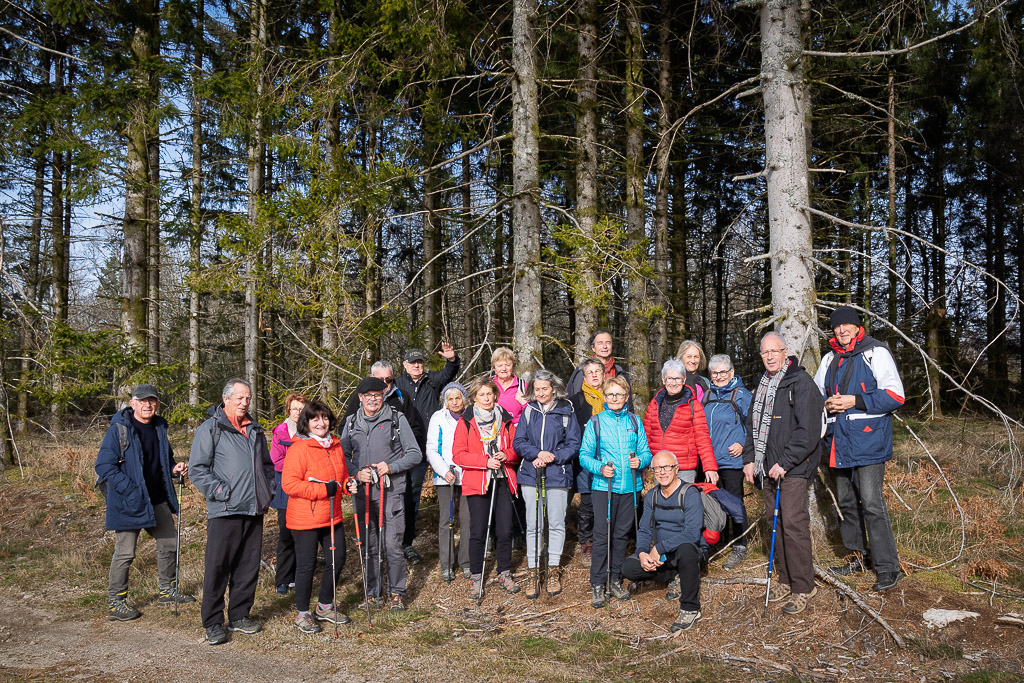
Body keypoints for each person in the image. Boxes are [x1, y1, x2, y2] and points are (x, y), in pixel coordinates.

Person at [814, 306, 905, 591]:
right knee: (846, 503)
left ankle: (888, 567)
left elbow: (895, 395)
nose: (841, 330)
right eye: (836, 327)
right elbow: (816, 396)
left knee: (872, 503)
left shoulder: (875, 352)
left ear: (856, 327)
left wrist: (855, 400)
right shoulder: (829, 359)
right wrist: (826, 404)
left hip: (868, 442)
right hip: (838, 442)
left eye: (846, 326)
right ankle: (857, 558)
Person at [742, 332, 824, 616]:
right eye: (765, 353)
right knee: (774, 521)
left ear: (785, 352)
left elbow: (808, 431)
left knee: (793, 523)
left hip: (794, 468)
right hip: (767, 467)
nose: (770, 357)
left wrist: (785, 462)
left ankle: (804, 586)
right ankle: (786, 579)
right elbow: (752, 426)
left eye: (774, 351)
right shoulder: (762, 385)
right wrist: (749, 459)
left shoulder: (800, 383)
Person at [189, 378, 275, 645]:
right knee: (218, 567)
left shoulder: (255, 429)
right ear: (225, 399)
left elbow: (267, 465)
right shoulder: (210, 429)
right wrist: (220, 491)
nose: (244, 402)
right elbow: (197, 469)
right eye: (239, 398)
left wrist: (268, 488)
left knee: (248, 566)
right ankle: (213, 622)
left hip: (253, 508)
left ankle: (239, 616)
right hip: (225, 509)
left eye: (248, 398)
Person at [95, 384, 192, 621]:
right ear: (133, 404)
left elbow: (165, 459)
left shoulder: (160, 427)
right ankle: (116, 602)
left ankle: (167, 591)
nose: (148, 405)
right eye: (142, 401)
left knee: (169, 543)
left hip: (157, 498)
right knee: (125, 553)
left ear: (157, 404)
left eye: (152, 401)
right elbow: (104, 466)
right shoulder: (119, 429)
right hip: (128, 501)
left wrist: (174, 468)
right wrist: (129, 488)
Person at [341, 376, 422, 611]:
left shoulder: (397, 419)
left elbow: (415, 454)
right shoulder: (351, 423)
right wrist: (356, 473)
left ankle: (396, 593)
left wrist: (392, 467)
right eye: (368, 396)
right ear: (360, 398)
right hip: (364, 493)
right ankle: (372, 593)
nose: (373, 399)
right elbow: (343, 457)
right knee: (369, 546)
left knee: (392, 544)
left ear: (384, 395)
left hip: (391, 491)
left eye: (377, 395)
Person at [579, 375, 653, 608]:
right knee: (602, 536)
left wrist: (640, 461)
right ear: (604, 397)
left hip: (630, 487)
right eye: (610, 394)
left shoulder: (635, 421)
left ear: (626, 397)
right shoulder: (596, 422)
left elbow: (646, 452)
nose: (614, 398)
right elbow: (584, 455)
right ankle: (597, 583)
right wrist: (600, 468)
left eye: (619, 394)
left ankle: (615, 579)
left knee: (621, 536)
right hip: (604, 487)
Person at [281, 400, 350, 634]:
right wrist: (322, 490)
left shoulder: (335, 446)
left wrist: (349, 485)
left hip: (332, 515)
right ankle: (303, 614)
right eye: (315, 419)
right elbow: (289, 484)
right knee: (306, 565)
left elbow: (342, 476)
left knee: (338, 559)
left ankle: (324, 606)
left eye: (325, 418)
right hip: (305, 517)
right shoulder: (299, 448)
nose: (321, 423)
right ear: (307, 422)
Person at [512, 369, 582, 598]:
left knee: (556, 523)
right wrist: (537, 454)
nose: (541, 393)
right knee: (533, 524)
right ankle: (534, 572)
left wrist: (553, 456)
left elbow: (574, 444)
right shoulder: (529, 411)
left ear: (553, 389)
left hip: (557, 474)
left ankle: (552, 570)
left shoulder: (566, 410)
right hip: (530, 474)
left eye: (545, 389)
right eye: (537, 389)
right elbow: (519, 441)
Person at [453, 376, 521, 601]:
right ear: (474, 398)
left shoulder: (506, 418)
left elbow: (516, 449)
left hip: (503, 479)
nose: (486, 398)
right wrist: (484, 462)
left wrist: (506, 455)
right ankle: (476, 576)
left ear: (495, 395)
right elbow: (458, 455)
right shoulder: (466, 421)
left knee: (505, 529)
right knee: (478, 530)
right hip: (478, 481)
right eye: (481, 395)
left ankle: (504, 572)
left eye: (489, 394)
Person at [622, 451, 706, 632]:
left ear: (676, 469)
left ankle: (691, 608)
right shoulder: (652, 495)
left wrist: (659, 547)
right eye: (657, 468)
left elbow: (692, 533)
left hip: (688, 553)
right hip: (664, 556)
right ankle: (674, 576)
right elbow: (645, 529)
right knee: (629, 567)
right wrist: (642, 553)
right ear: (652, 472)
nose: (662, 472)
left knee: (686, 550)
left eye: (667, 467)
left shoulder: (689, 493)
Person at [394, 345, 460, 564]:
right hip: (406, 448)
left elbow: (448, 374)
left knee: (420, 493)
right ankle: (401, 543)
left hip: (431, 446)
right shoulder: (397, 384)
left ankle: (409, 542)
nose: (416, 365)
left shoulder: (431, 380)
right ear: (405, 365)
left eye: (419, 362)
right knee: (406, 495)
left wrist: (452, 360)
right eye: (412, 362)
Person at [703, 354, 752, 570]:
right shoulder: (707, 395)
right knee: (714, 504)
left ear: (732, 372)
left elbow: (755, 425)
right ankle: (719, 542)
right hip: (710, 462)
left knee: (734, 503)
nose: (720, 376)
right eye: (715, 373)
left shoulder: (742, 395)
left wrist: (743, 444)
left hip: (732, 461)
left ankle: (740, 544)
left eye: (723, 372)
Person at [643, 358, 719, 486]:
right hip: (660, 467)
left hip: (684, 468)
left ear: (684, 380)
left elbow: (702, 438)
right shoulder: (654, 404)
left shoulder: (694, 405)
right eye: (670, 378)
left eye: (677, 379)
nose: (674, 383)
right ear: (663, 380)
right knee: (662, 499)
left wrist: (709, 467)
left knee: (683, 498)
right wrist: (644, 465)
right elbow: (646, 436)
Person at [425, 382, 473, 582]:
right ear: (445, 401)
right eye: (450, 399)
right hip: (445, 476)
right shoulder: (438, 418)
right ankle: (446, 564)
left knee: (468, 519)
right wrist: (444, 471)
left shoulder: (471, 416)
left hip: (468, 474)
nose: (454, 402)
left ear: (464, 399)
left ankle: (466, 561)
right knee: (447, 520)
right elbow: (431, 449)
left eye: (458, 398)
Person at [567, 357, 605, 568]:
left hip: (609, 458)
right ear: (584, 376)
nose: (594, 375)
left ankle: (604, 541)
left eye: (597, 371)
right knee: (588, 503)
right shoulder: (575, 401)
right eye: (590, 372)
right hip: (586, 460)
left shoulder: (612, 397)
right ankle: (587, 543)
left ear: (604, 375)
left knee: (606, 501)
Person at [270, 392, 307, 594]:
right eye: (294, 409)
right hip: (285, 491)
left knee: (304, 536)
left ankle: (299, 576)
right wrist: (300, 464)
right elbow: (276, 461)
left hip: (306, 490)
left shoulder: (312, 430)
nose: (297, 412)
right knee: (285, 535)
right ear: (288, 410)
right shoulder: (281, 432)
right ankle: (283, 579)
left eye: (301, 409)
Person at [566, 331, 630, 396]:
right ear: (593, 348)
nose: (604, 346)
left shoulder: (619, 371)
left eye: (608, 343)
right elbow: (571, 397)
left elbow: (627, 399)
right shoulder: (581, 371)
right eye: (600, 343)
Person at [490, 346, 527, 425]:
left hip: (517, 429)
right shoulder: (489, 385)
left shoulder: (522, 385)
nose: (504, 368)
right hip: (494, 429)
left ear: (513, 366)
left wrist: (524, 403)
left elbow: (532, 411)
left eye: (508, 365)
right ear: (494, 368)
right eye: (500, 366)